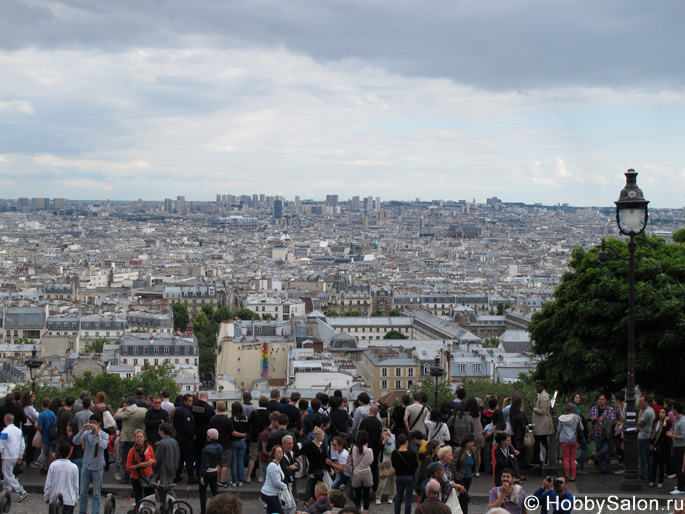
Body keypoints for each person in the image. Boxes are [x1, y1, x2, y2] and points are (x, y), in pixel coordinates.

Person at [73, 412, 109, 514]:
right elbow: (75, 441)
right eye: (90, 423)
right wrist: (82, 430)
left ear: (99, 423)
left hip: (97, 466)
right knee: (83, 492)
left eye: (93, 423)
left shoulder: (104, 435)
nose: (91, 425)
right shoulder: (86, 433)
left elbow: (103, 446)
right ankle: (82, 512)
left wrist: (98, 435)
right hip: (86, 465)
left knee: (96, 494)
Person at [115, 396, 147, 484]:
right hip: (140, 437)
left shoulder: (128, 411)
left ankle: (127, 477)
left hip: (129, 437)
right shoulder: (143, 410)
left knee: (127, 458)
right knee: (140, 457)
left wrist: (122, 409)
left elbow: (116, 416)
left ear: (128, 403)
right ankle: (139, 475)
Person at [44, 442, 80, 514]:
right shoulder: (74, 467)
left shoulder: (53, 465)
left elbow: (48, 483)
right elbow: (76, 486)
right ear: (70, 452)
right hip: (69, 499)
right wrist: (76, 498)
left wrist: (47, 496)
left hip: (54, 499)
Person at [0, 413, 28, 502]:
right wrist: (20, 456)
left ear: (5, 420)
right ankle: (6, 491)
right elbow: (23, 445)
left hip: (7, 456)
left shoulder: (5, 432)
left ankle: (21, 491)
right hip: (15, 456)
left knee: (7, 474)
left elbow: (1, 445)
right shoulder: (19, 431)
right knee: (9, 474)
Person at [298, 426, 328, 503]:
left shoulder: (322, 446)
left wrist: (328, 468)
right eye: (322, 436)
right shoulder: (309, 446)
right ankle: (309, 500)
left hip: (320, 469)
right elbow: (300, 452)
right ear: (318, 436)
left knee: (316, 486)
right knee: (312, 486)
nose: (324, 438)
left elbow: (325, 458)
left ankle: (314, 501)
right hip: (313, 469)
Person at [587, 393, 616, 473]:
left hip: (607, 433)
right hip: (597, 432)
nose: (601, 401)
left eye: (602, 399)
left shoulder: (610, 409)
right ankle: (604, 467)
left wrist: (604, 420)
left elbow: (613, 420)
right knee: (599, 448)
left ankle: (596, 457)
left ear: (605, 400)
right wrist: (591, 418)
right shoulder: (594, 408)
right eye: (599, 399)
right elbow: (589, 416)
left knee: (605, 449)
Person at [126, 429, 156, 504]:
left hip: (148, 476)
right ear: (135, 439)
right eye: (137, 437)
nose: (139, 439)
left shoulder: (149, 448)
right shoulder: (132, 451)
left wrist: (152, 461)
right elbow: (128, 467)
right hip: (136, 477)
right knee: (138, 499)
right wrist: (138, 466)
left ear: (144, 438)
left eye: (140, 437)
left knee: (150, 498)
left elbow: (155, 461)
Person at [449, 434, 477, 514]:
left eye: (473, 442)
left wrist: (474, 472)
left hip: (469, 476)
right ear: (466, 443)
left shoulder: (473, 450)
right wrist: (457, 476)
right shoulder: (459, 451)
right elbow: (453, 464)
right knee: (465, 495)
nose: (473, 444)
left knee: (463, 496)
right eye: (471, 442)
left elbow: (476, 462)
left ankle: (462, 511)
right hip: (460, 477)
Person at [209, 401, 234, 488]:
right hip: (226, 444)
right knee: (225, 463)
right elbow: (232, 432)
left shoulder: (212, 419)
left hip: (215, 443)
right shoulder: (228, 420)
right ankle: (222, 481)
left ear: (217, 408)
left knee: (218, 463)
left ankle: (216, 480)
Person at [528, 381, 553, 466]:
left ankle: (540, 460)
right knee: (541, 442)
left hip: (541, 424)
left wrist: (533, 408)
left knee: (540, 442)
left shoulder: (543, 397)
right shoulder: (541, 396)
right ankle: (541, 460)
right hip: (539, 423)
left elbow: (542, 411)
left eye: (538, 387)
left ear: (542, 387)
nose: (536, 389)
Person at [173, 393, 197, 484]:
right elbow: (187, 426)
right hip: (186, 438)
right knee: (189, 457)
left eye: (192, 401)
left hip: (179, 436)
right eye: (190, 401)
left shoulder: (178, 410)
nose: (191, 402)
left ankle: (177, 475)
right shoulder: (186, 412)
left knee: (181, 457)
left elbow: (175, 423)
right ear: (185, 401)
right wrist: (192, 435)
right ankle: (191, 477)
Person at [392, 433, 418, 514]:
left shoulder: (395, 453)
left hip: (399, 476)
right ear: (407, 441)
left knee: (398, 497)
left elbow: (394, 465)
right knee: (408, 498)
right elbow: (415, 465)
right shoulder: (412, 453)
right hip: (409, 476)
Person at [349, 430, 374, 513]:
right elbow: (370, 461)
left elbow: (350, 460)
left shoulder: (353, 448)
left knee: (357, 494)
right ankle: (366, 511)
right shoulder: (369, 450)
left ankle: (358, 510)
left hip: (356, 472)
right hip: (366, 472)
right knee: (366, 495)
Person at [193, 391, 216, 481]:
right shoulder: (209, 408)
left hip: (195, 433)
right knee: (205, 453)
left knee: (197, 453)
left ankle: (198, 470)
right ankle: (204, 472)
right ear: (207, 397)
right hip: (205, 434)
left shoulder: (194, 407)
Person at [557, 403, 582, 481]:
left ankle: (567, 475)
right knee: (572, 458)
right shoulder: (577, 417)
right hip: (574, 439)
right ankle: (573, 476)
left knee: (566, 459)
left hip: (564, 440)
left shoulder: (561, 418)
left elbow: (558, 429)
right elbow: (581, 428)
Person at [200, 429, 223, 514]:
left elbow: (205, 464)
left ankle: (203, 512)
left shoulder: (206, 449)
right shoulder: (220, 447)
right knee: (215, 491)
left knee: (202, 493)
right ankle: (222, 507)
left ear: (209, 437)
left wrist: (202, 475)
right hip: (214, 471)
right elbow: (220, 460)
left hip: (207, 472)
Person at [248, 396, 270, 483]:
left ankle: (249, 476)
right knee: (262, 456)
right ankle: (260, 476)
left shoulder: (254, 413)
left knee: (252, 457)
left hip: (254, 437)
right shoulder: (269, 414)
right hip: (264, 438)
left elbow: (250, 424)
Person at [260, 445, 288, 514]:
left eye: (281, 452)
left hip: (273, 493)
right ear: (274, 454)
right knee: (280, 512)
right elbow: (277, 482)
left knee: (271, 511)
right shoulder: (273, 466)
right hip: (269, 494)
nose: (281, 454)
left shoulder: (278, 464)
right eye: (278, 452)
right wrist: (285, 487)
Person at [649, 407, 672, 488]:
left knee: (661, 464)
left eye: (663, 413)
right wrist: (651, 443)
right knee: (654, 464)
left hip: (662, 446)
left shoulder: (668, 423)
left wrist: (665, 422)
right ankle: (653, 480)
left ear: (666, 414)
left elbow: (664, 433)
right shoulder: (656, 422)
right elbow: (652, 433)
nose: (661, 414)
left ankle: (661, 481)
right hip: (654, 445)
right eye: (660, 413)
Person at [328, 436, 355, 504]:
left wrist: (331, 464)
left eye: (335, 445)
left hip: (348, 474)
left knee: (350, 494)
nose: (333, 446)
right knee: (334, 486)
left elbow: (343, 469)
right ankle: (339, 498)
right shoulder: (339, 451)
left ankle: (356, 503)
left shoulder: (343, 454)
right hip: (344, 473)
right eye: (332, 444)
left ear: (341, 445)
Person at [154, 422, 180, 492]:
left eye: (159, 430)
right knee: (168, 489)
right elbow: (177, 457)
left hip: (164, 470)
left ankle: (175, 503)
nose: (158, 432)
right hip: (172, 469)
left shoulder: (162, 443)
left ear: (162, 431)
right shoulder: (174, 442)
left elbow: (156, 459)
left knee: (166, 490)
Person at [667, 402, 685, 494]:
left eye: (672, 409)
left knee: (679, 466)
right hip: (677, 446)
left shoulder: (682, 421)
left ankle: (681, 488)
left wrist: (672, 436)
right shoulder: (679, 420)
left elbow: (683, 436)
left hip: (681, 446)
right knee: (677, 465)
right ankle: (680, 485)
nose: (671, 411)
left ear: (675, 410)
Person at [376, 427, 396, 505]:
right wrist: (384, 440)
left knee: (393, 483)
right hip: (384, 463)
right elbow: (380, 448)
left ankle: (391, 497)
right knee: (382, 483)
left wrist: (390, 436)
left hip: (393, 462)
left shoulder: (393, 438)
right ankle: (378, 497)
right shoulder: (380, 441)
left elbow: (394, 448)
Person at [37, 397, 58, 473]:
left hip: (45, 435)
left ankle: (46, 466)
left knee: (44, 453)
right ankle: (48, 467)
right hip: (53, 435)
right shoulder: (52, 413)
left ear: (42, 405)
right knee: (50, 453)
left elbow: (40, 427)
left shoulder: (41, 415)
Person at [637, 395, 655, 482]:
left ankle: (643, 474)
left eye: (641, 401)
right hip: (648, 435)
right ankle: (649, 472)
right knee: (648, 456)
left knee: (642, 456)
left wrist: (639, 414)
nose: (639, 403)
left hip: (643, 436)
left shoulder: (646, 412)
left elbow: (640, 423)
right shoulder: (651, 410)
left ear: (646, 401)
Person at [229, 401, 248, 486]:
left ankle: (234, 480)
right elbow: (248, 431)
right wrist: (244, 435)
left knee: (234, 461)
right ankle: (240, 480)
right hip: (242, 441)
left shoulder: (231, 419)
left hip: (233, 441)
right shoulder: (246, 418)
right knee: (241, 461)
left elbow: (232, 432)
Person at [21, 391, 39, 468]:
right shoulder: (30, 408)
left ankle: (30, 461)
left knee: (29, 444)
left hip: (27, 426)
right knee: (32, 445)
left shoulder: (26, 407)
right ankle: (30, 461)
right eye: (33, 397)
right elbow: (37, 416)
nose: (34, 398)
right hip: (30, 427)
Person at [571, 393, 588, 475]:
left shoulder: (572, 407)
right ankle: (581, 467)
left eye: (579, 397)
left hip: (571, 432)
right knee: (585, 447)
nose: (578, 399)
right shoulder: (574, 407)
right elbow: (578, 419)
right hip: (577, 431)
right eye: (576, 397)